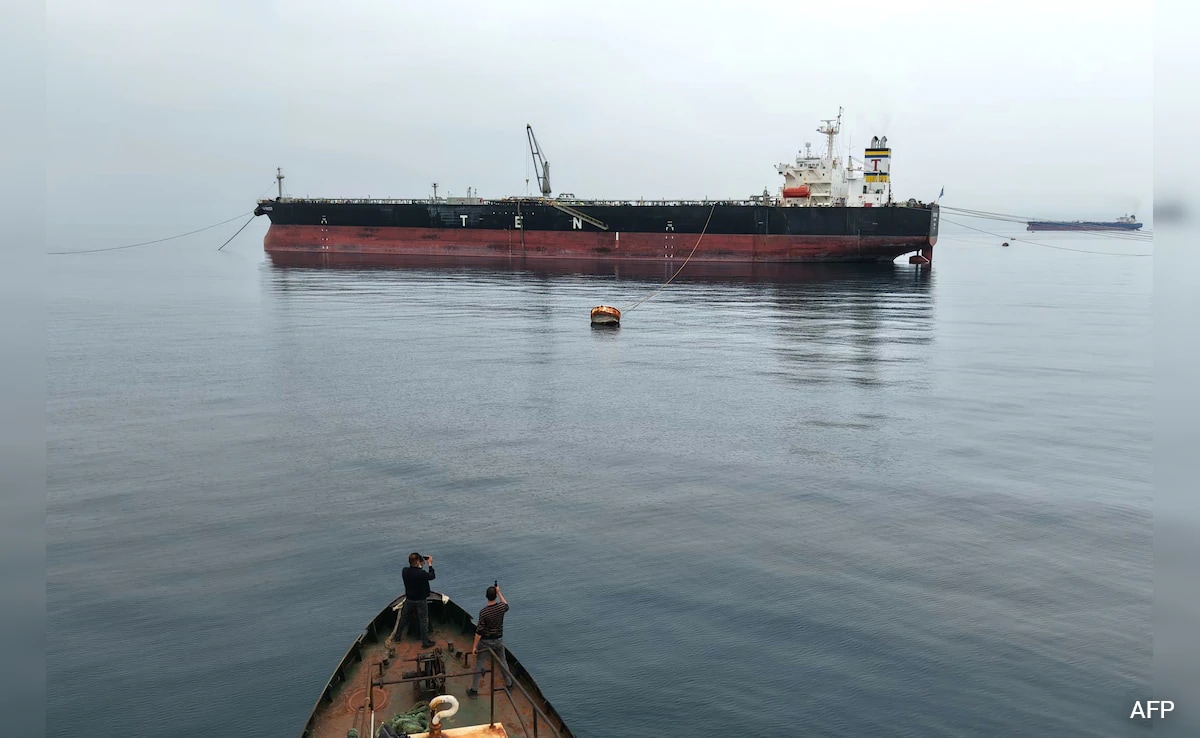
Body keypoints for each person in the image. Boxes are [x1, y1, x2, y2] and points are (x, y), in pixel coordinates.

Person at [466, 584, 514, 698]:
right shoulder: (501, 608)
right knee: (502, 661)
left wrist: (474, 646)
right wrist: (499, 592)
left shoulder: (484, 612)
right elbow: (506, 605)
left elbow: (479, 631)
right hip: (498, 640)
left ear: (486, 596)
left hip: (486, 642)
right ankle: (509, 684)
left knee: (479, 663)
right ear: (495, 596)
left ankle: (474, 690)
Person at [388, 552, 436, 649]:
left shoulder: (405, 571)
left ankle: (397, 636)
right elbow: (432, 576)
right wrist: (429, 564)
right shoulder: (421, 573)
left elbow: (414, 573)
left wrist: (420, 566)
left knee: (403, 617)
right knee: (423, 620)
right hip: (420, 600)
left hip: (409, 599)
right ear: (418, 561)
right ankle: (425, 642)